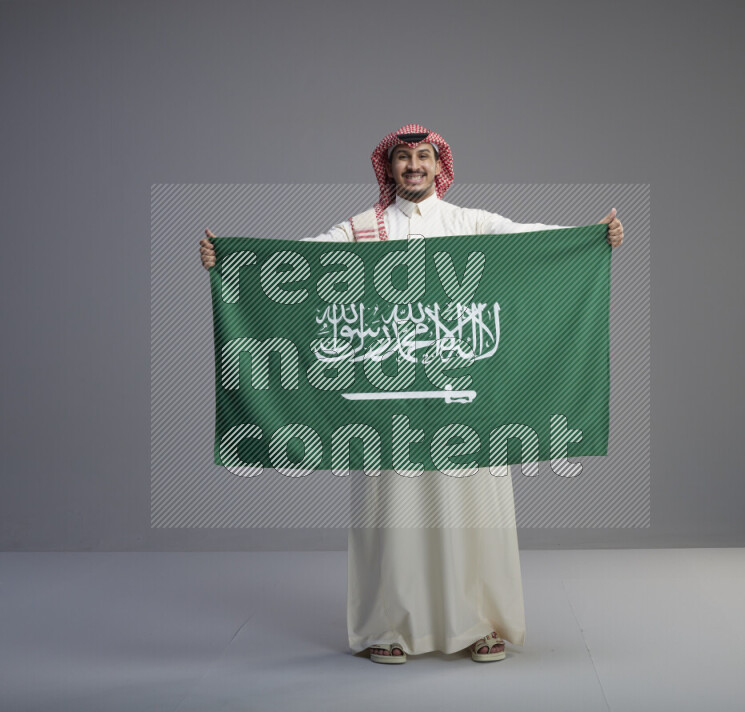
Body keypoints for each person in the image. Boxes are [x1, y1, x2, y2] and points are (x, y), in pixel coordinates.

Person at [199, 124, 624, 664]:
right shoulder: (362, 229)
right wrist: (233, 263)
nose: (414, 166)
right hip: (388, 405)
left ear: (438, 165)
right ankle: (388, 629)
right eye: (404, 158)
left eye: (424, 156)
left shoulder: (468, 223)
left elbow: (529, 240)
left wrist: (591, 238)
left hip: (463, 399)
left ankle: (482, 625)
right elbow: (297, 263)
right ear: (389, 168)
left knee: (474, 512)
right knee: (389, 518)